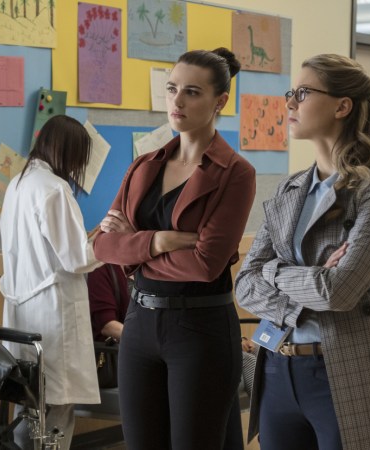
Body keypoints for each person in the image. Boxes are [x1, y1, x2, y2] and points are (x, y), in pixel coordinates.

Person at [235, 54, 370, 450]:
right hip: (277, 364)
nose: (290, 102)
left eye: (303, 92)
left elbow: (339, 291)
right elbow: (245, 284)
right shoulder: (290, 189)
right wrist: (312, 279)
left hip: (343, 369)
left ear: (342, 106)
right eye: (291, 92)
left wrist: (274, 271)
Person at [93, 48, 256, 449]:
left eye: (192, 92)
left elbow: (205, 264)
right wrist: (159, 240)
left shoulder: (236, 173)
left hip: (200, 329)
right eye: (171, 89)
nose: (177, 101)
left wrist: (135, 247)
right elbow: (103, 246)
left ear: (220, 101)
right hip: (139, 324)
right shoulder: (143, 165)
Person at [0, 114, 103, 450]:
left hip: (24, 311)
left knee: (29, 402)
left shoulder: (18, 184)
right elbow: (77, 258)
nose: (77, 167)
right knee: (55, 410)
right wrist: (111, 240)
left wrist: (92, 239)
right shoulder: (54, 189)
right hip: (53, 313)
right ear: (67, 151)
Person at [87, 263, 130, 342]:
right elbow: (107, 326)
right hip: (119, 345)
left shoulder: (141, 265)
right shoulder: (99, 270)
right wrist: (140, 339)